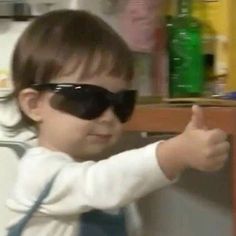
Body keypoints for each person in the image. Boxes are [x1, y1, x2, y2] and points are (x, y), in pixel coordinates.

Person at [2, 9, 229, 236]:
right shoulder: (39, 172)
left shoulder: (108, 185)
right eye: (88, 98)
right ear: (33, 105)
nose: (109, 116)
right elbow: (100, 183)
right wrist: (175, 153)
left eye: (120, 101)